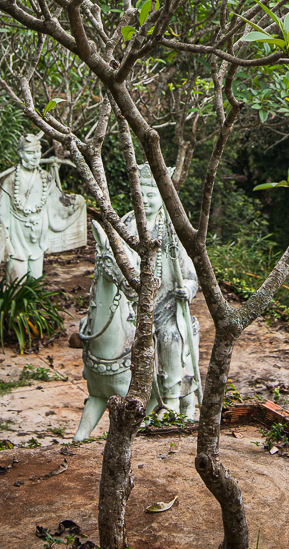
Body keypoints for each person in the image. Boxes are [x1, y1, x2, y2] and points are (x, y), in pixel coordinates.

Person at [120, 164, 199, 417]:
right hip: (128, 301)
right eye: (141, 195)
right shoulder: (125, 225)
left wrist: (186, 288)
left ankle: (171, 398)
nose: (146, 201)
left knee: (170, 337)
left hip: (164, 305)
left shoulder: (172, 232)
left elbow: (190, 276)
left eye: (151, 195)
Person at [0, 133, 85, 281]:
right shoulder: (10, 181)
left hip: (37, 239)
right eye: (30, 153)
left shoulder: (45, 178)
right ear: (20, 154)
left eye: (37, 152)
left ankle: (32, 303)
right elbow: (1, 214)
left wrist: (73, 203)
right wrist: (6, 242)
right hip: (17, 237)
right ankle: (15, 303)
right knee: (16, 280)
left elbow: (57, 203)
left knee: (35, 279)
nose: (35, 157)